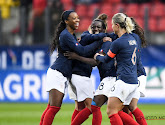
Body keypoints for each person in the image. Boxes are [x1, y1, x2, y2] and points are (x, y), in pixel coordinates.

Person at [39, 10, 106, 125]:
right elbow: (82, 51)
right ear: (66, 21)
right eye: (74, 18)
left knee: (52, 106)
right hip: (58, 73)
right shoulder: (66, 35)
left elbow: (80, 47)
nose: (77, 20)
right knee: (54, 107)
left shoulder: (71, 35)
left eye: (77, 18)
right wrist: (101, 39)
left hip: (64, 74)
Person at [94, 13, 140, 125]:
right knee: (120, 111)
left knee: (111, 111)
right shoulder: (133, 39)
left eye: (112, 25)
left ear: (117, 25)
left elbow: (106, 59)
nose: (111, 27)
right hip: (133, 81)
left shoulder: (117, 42)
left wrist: (97, 56)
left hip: (123, 80)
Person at [65, 14, 111, 125]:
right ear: (90, 27)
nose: (95, 29)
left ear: (104, 29)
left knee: (80, 107)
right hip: (81, 76)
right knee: (92, 107)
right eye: (93, 27)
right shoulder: (86, 35)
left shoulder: (101, 41)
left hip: (74, 75)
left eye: (98, 27)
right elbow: (92, 58)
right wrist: (103, 36)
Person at [119, 17, 148, 125]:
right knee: (126, 107)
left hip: (135, 74)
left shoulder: (129, 38)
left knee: (127, 107)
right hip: (136, 74)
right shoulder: (135, 37)